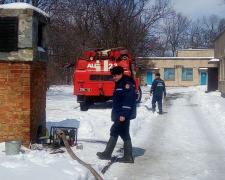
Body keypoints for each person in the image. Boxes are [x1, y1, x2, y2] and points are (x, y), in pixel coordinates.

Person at [96, 66, 136, 163]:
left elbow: (128, 101)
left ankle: (107, 153)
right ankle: (128, 156)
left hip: (123, 115)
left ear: (121, 74)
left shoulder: (126, 84)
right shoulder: (119, 83)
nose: (114, 77)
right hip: (119, 113)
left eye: (116, 75)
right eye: (113, 76)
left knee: (114, 131)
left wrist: (123, 115)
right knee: (124, 134)